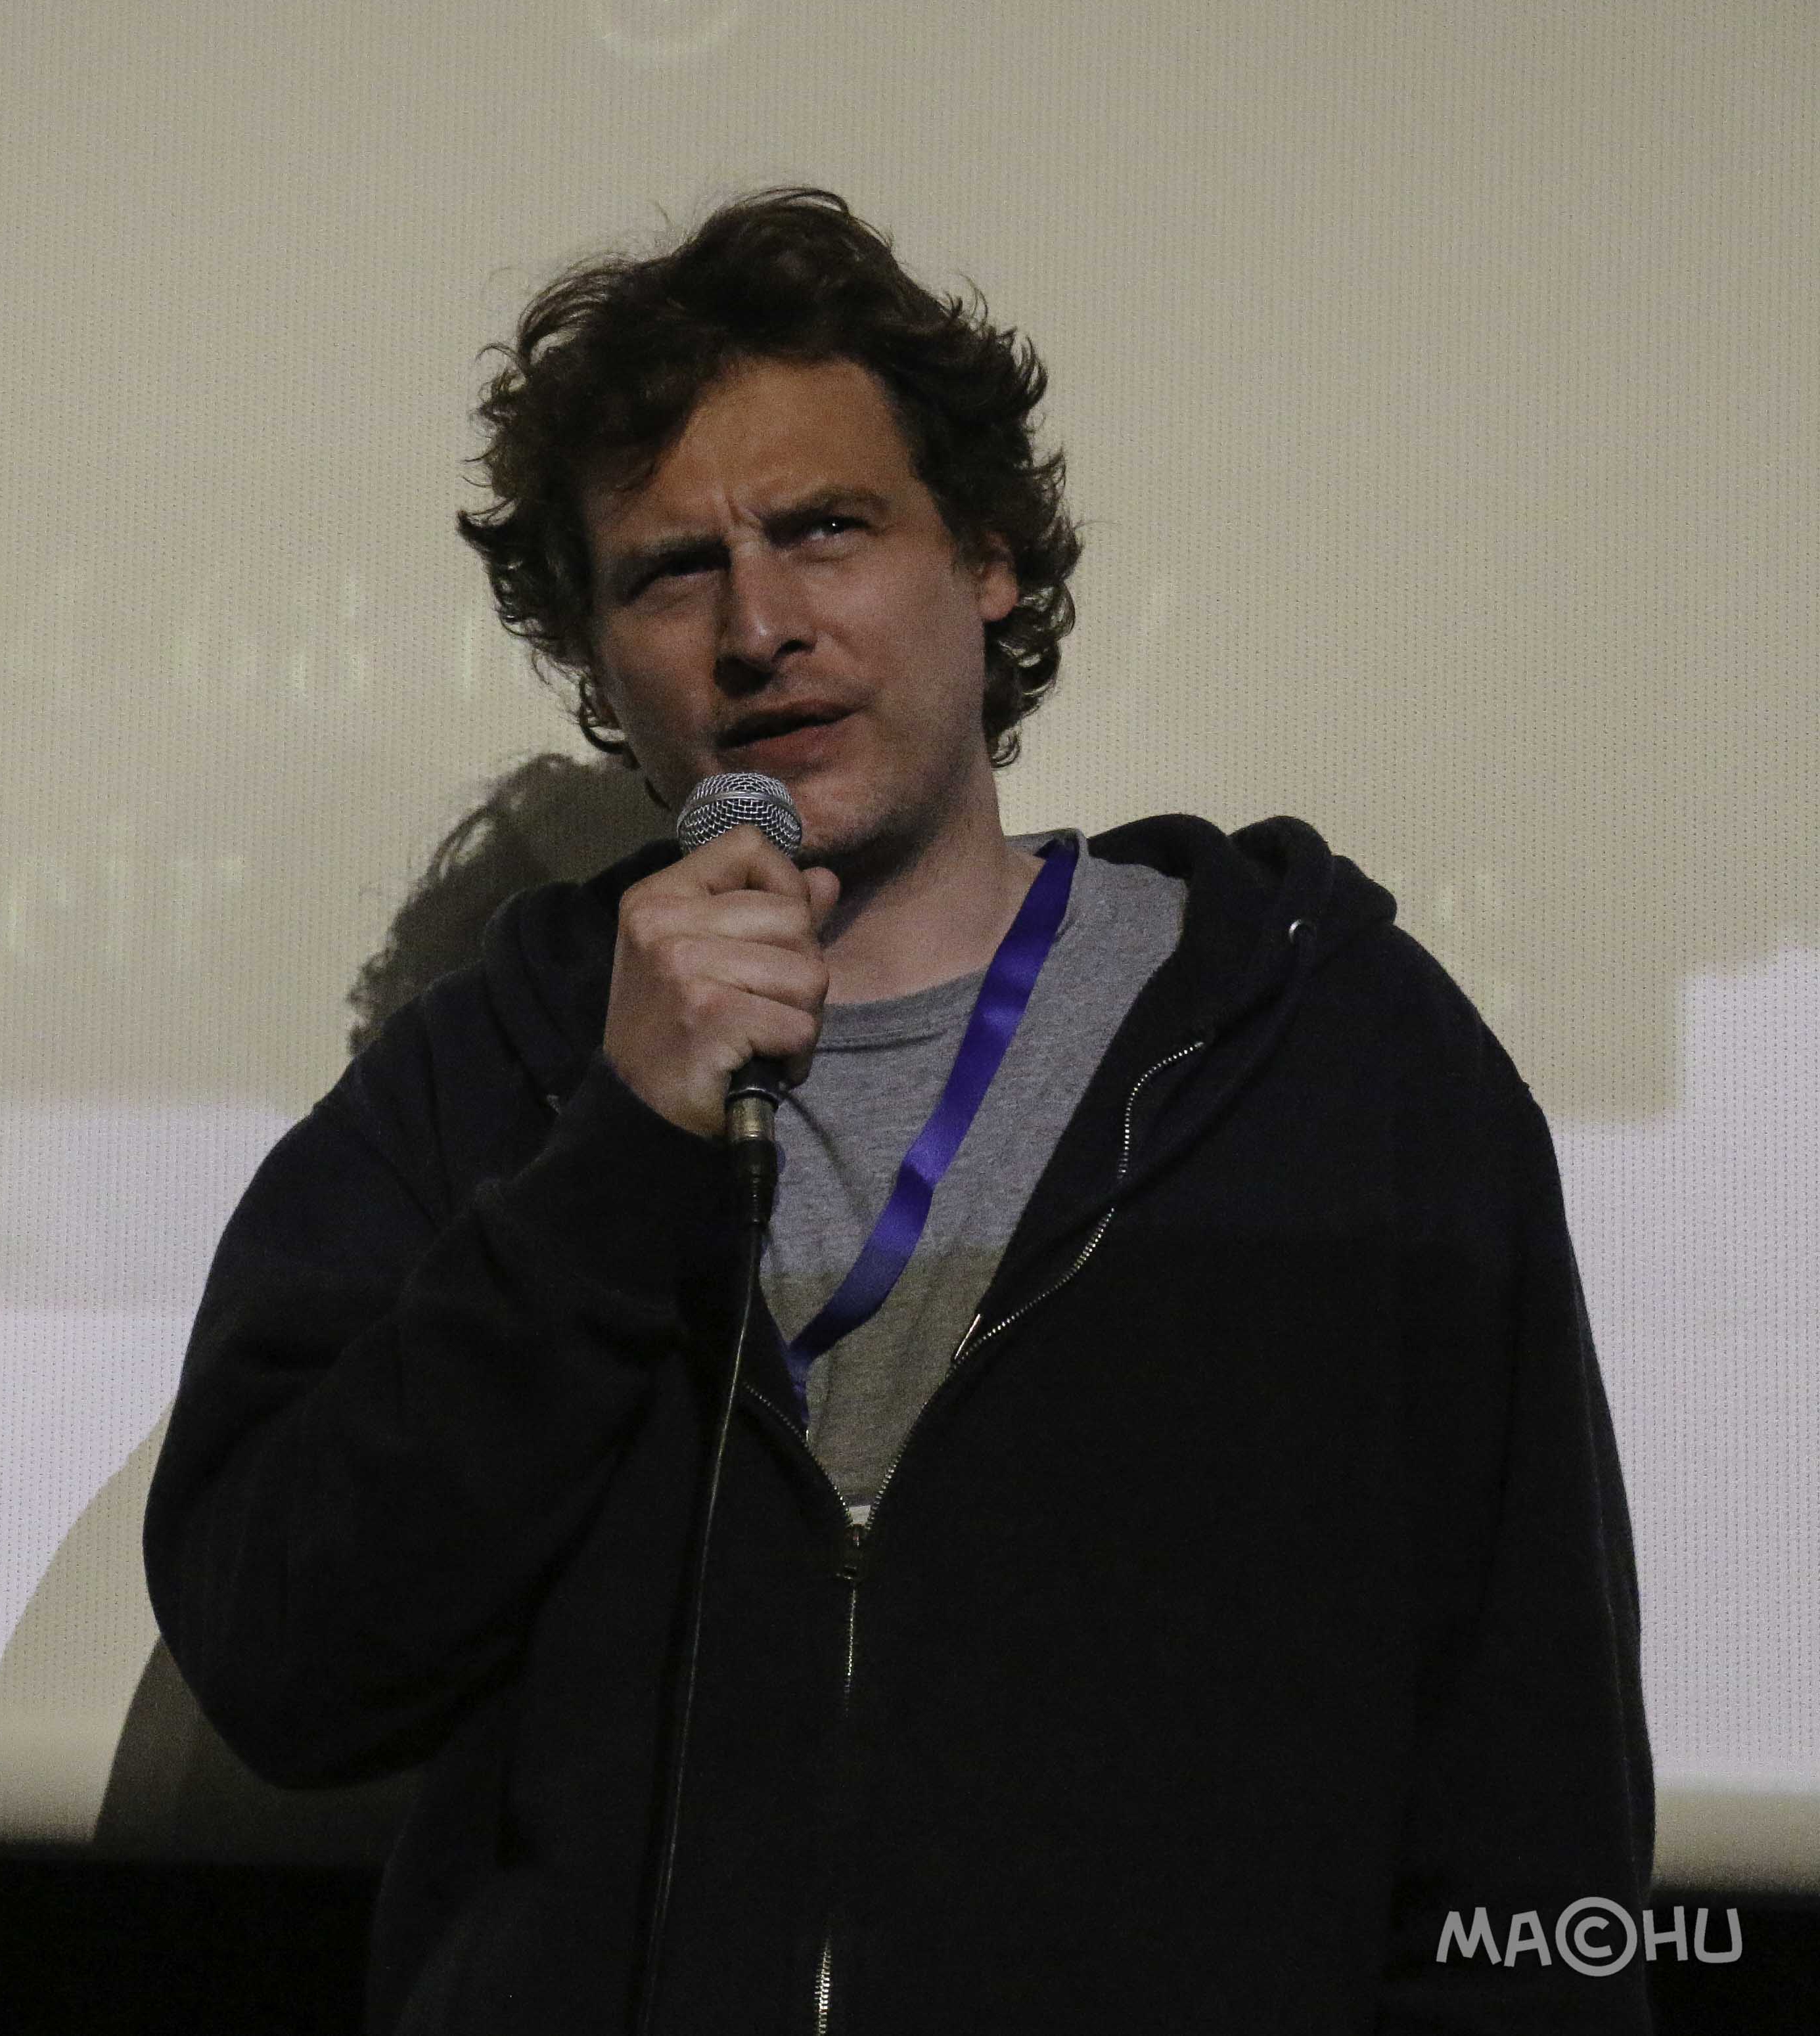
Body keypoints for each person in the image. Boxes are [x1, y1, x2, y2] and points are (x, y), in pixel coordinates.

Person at [142, 190, 1652, 2033]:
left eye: (825, 529)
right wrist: (615, 1159)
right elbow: (288, 1665)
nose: (757, 625)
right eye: (668, 571)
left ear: (989, 558)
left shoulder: (1333, 1056)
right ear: (597, 660)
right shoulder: (491, 1082)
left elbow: (1530, 1778)